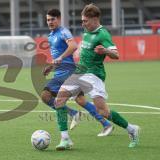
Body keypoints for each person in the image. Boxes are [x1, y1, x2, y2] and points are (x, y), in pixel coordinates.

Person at [54, 3, 140, 148]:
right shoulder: (86, 32)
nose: (83, 23)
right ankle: (65, 139)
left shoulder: (103, 34)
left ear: (95, 19)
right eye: (82, 20)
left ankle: (132, 129)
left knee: (103, 111)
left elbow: (116, 54)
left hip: (94, 75)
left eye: (85, 21)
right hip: (79, 72)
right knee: (59, 100)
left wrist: (105, 51)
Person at [42, 8, 113, 151]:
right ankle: (106, 124)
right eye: (48, 19)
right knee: (80, 100)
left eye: (52, 19)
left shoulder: (63, 32)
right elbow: (58, 56)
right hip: (62, 72)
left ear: (59, 19)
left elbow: (73, 46)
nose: (50, 22)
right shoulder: (51, 35)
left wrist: (60, 58)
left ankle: (71, 120)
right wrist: (51, 66)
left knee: (46, 95)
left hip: (68, 72)